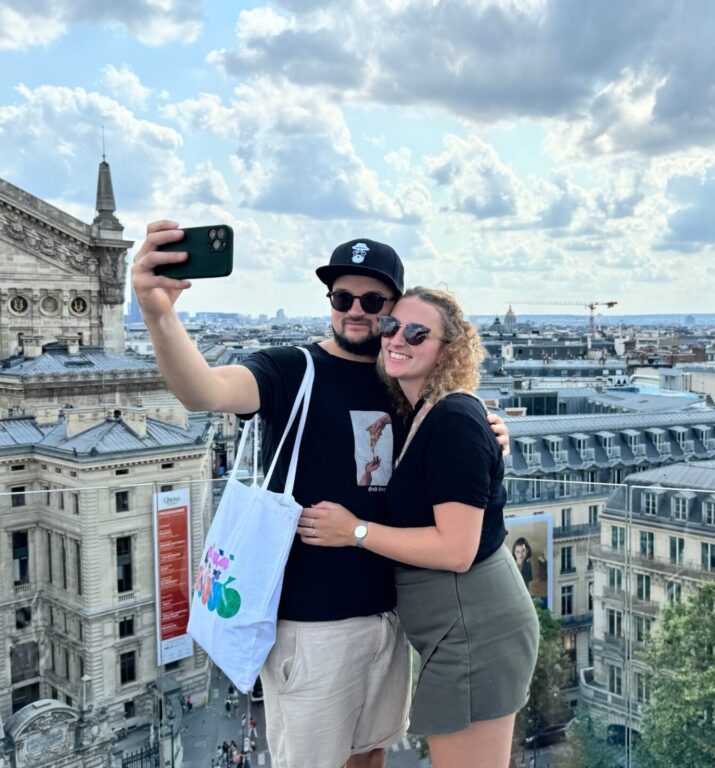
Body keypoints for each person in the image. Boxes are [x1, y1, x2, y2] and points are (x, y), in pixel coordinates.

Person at [131, 223, 508, 768]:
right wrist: (158, 314)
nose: (355, 309)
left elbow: (451, 446)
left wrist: (490, 428)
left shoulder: (405, 381)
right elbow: (204, 390)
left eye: (373, 300)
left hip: (389, 620)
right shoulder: (292, 369)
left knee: (371, 758)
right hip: (311, 629)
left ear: (393, 311)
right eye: (342, 297)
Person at [297, 287, 539, 768]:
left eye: (417, 332)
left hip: (475, 632)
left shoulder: (452, 419)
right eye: (391, 326)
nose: (396, 338)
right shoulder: (423, 412)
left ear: (449, 349)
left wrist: (355, 531)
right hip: (458, 629)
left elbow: (456, 550)